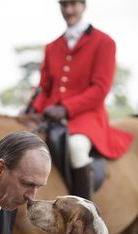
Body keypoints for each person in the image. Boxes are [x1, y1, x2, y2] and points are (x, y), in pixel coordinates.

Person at [32, 0, 133, 199]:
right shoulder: (52, 47)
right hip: (51, 115)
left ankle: (83, 214)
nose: (68, 10)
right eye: (64, 5)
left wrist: (66, 108)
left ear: (83, 5)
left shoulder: (104, 42)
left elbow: (100, 89)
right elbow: (44, 88)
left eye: (73, 5)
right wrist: (34, 109)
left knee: (77, 147)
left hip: (86, 116)